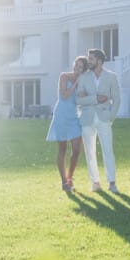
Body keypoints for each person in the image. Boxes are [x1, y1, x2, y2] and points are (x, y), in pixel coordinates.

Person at [75, 47, 121, 192]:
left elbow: (117, 99)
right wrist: (95, 98)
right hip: (87, 119)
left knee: (108, 150)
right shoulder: (83, 77)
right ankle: (95, 182)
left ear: (100, 61)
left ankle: (112, 182)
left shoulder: (111, 76)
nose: (88, 61)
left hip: (104, 118)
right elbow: (78, 100)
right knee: (90, 152)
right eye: (89, 58)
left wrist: (110, 117)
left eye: (91, 59)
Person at [47, 56, 87, 192]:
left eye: (81, 67)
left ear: (84, 70)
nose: (77, 68)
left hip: (74, 118)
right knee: (62, 149)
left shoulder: (83, 81)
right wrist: (75, 84)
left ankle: (69, 177)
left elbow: (82, 100)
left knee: (76, 150)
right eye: (76, 65)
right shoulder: (64, 76)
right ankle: (64, 182)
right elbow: (64, 96)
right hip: (61, 116)